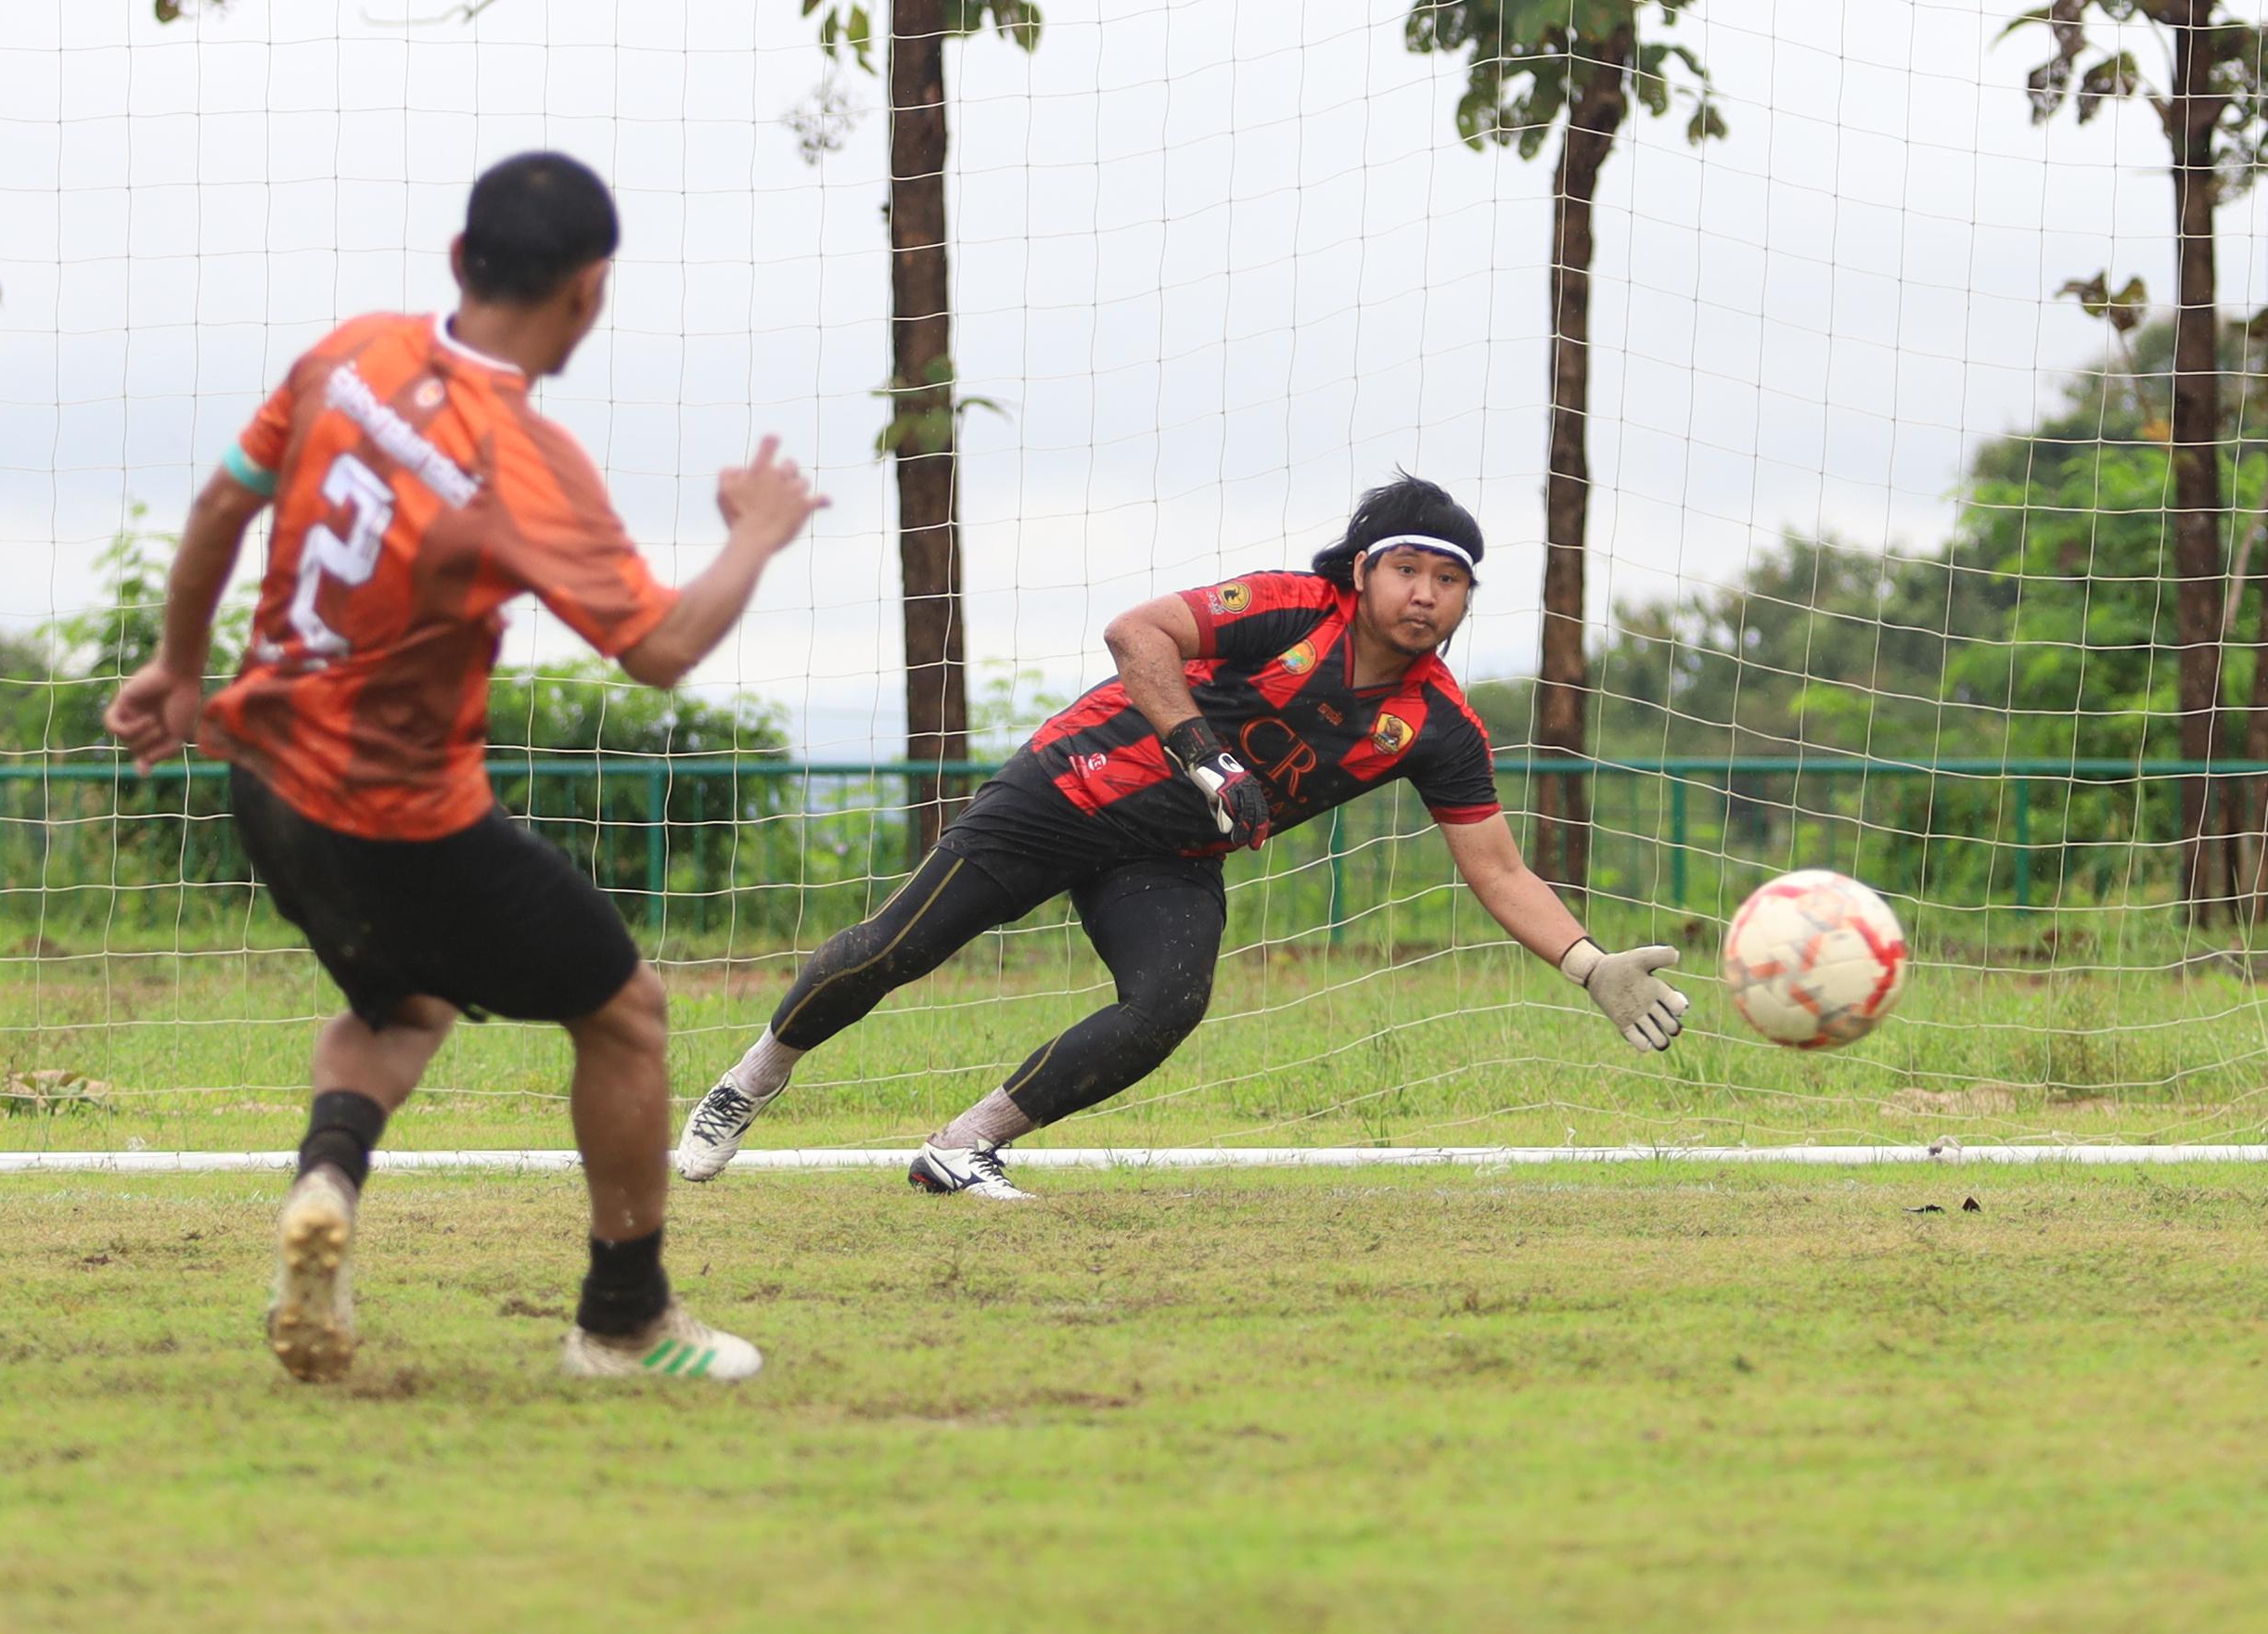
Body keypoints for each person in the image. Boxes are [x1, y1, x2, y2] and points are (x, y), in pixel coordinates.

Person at [109, 149, 820, 1383]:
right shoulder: (522, 462)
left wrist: (178, 671)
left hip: (262, 776)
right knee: (629, 1016)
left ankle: (325, 1185)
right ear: (591, 292)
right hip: (398, 816)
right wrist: (756, 536)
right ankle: (624, 1320)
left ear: (458, 259)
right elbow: (660, 648)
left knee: (406, 1005)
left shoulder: (352, 355)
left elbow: (225, 506)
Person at [673, 475, 1687, 1196]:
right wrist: (1208, 757)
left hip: (1167, 854)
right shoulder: (1295, 605)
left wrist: (1589, 964)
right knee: (898, 948)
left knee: (1169, 1002)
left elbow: (1499, 867)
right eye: (1408, 568)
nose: (1426, 593)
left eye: (1450, 579)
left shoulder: (1439, 723)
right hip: (1065, 790)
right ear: (1365, 571)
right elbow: (1136, 631)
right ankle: (749, 1081)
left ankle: (962, 1146)